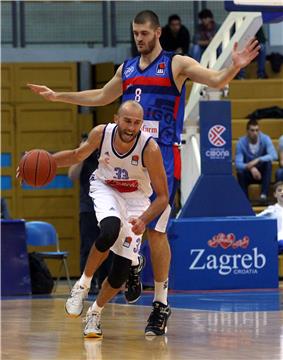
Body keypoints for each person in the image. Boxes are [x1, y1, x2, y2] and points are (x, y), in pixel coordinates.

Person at [27, 9, 260, 336]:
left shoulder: (176, 64)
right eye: (136, 33)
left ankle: (161, 304)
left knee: (156, 232)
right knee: (118, 225)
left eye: (145, 33)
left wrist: (233, 66)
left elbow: (215, 80)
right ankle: (132, 265)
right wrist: (59, 96)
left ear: (158, 33)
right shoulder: (128, 69)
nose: (139, 38)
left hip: (161, 154)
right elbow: (99, 96)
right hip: (128, 157)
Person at [18, 100, 169, 337]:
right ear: (116, 118)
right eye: (127, 121)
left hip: (136, 199)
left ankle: (95, 313)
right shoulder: (102, 133)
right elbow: (77, 155)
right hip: (106, 188)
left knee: (119, 274)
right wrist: (35, 161)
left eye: (137, 123)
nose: (131, 127)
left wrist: (143, 219)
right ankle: (82, 285)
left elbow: (162, 197)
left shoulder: (149, 149)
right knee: (109, 230)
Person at [68, 135, 111, 295]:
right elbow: (72, 176)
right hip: (88, 207)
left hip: (108, 207)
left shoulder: (109, 153)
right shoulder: (83, 157)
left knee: (109, 246)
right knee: (88, 246)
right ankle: (87, 283)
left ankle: (107, 282)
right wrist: (81, 155)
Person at [235, 119, 278, 202]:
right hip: (248, 174)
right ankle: (244, 200)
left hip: (262, 173)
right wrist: (251, 168)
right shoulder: (241, 142)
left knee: (267, 163)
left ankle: (263, 195)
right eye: (252, 130)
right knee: (240, 172)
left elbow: (274, 155)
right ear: (247, 131)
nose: (255, 133)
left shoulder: (265, 139)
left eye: (257, 130)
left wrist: (258, 160)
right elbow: (238, 164)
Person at [257, 181, 283, 253]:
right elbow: (256, 218)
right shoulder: (272, 209)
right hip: (279, 240)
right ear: (275, 194)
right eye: (279, 190)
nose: (282, 192)